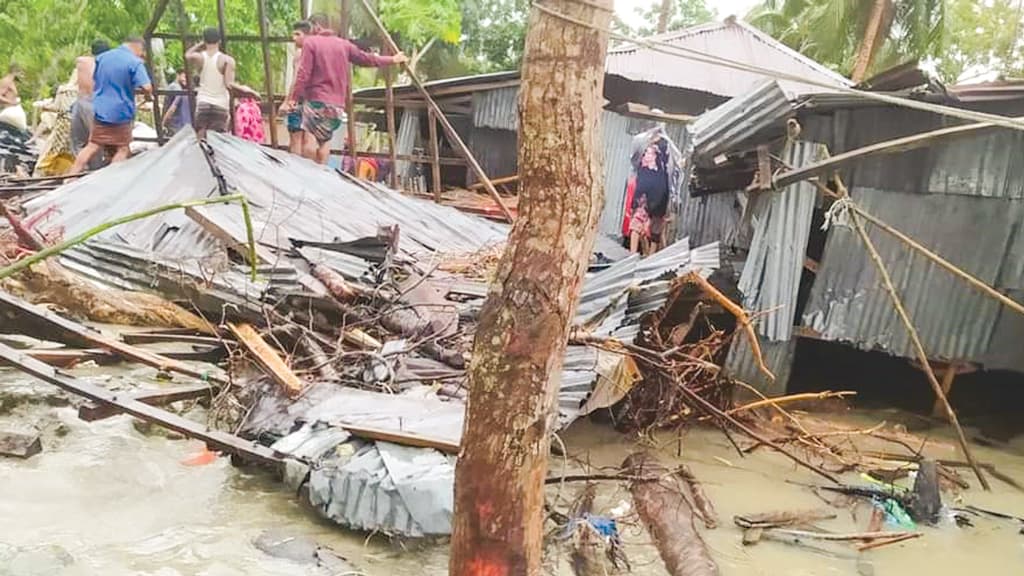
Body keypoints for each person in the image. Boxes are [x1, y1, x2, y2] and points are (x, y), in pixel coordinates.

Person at [282, 13, 407, 164]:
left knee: (308, 139)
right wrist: (393, 59)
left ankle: (306, 176)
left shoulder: (312, 43)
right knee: (324, 142)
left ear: (316, 26)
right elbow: (367, 59)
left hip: (316, 100)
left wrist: (293, 99)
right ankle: (322, 174)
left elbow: (303, 74)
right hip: (336, 106)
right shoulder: (344, 45)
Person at [68, 37, 152, 174]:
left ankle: (70, 177)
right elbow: (147, 87)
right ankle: (110, 178)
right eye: (142, 52)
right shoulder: (134, 62)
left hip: (100, 110)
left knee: (93, 145)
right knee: (123, 148)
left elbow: (96, 80)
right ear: (139, 48)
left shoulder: (103, 58)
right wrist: (148, 97)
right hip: (121, 112)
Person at [185, 27, 260, 139]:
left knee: (200, 137)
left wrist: (200, 44)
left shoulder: (200, 57)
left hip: (203, 101)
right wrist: (247, 90)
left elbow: (187, 55)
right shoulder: (227, 60)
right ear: (219, 41)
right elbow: (229, 84)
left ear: (204, 40)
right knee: (217, 140)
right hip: (220, 104)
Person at [70, 39, 110, 168]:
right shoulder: (108, 65)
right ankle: (95, 170)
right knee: (96, 142)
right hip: (94, 104)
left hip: (80, 103)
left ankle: (81, 169)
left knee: (78, 141)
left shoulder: (81, 61)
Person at [286, 20, 310, 155]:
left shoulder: (300, 53)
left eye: (297, 34)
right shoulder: (316, 52)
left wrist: (288, 100)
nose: (294, 38)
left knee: (295, 139)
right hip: (312, 100)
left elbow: (296, 79)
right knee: (308, 139)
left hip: (299, 100)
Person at [160, 69, 192, 135]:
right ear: (178, 75)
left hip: (178, 125)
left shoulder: (178, 88)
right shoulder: (176, 87)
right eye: (184, 77)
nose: (186, 80)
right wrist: (163, 123)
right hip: (176, 125)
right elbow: (172, 108)